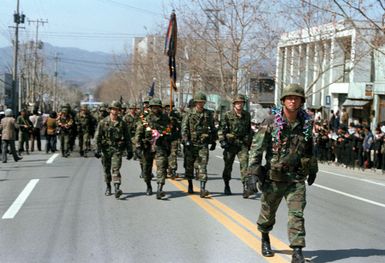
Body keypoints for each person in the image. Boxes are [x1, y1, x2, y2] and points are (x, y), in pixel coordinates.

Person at [247, 83, 318, 263]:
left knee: (297, 214)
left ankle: (297, 250)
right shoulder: (271, 121)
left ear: (301, 101)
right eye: (289, 98)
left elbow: (310, 149)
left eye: (296, 98)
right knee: (267, 213)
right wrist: (252, 173)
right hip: (273, 178)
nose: (293, 101)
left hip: (296, 178)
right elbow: (256, 148)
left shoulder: (306, 124)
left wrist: (313, 169)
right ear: (283, 101)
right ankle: (265, 238)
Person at [134, 98, 172, 199]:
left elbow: (169, 131)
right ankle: (148, 186)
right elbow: (138, 133)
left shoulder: (165, 118)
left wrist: (169, 146)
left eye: (158, 107)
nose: (156, 109)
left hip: (161, 146)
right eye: (154, 107)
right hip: (147, 147)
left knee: (162, 167)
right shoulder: (144, 119)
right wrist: (137, 146)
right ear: (150, 108)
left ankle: (160, 189)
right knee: (147, 169)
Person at [182, 91, 217, 197]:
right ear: (195, 102)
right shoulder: (189, 113)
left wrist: (214, 141)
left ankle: (202, 188)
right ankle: (190, 184)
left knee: (203, 165)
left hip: (203, 144)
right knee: (189, 166)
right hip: (191, 144)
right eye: (199, 102)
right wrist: (185, 140)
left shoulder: (208, 114)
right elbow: (184, 128)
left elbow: (213, 128)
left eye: (202, 102)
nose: (200, 104)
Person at [95, 101, 133, 198]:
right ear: (110, 110)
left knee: (116, 168)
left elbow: (127, 137)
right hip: (105, 150)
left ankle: (117, 188)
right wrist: (97, 149)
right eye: (113, 109)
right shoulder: (103, 122)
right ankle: (108, 186)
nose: (115, 111)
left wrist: (130, 150)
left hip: (117, 149)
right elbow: (97, 137)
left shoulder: (122, 123)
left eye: (117, 109)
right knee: (106, 170)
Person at [218, 94, 252, 197]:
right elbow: (221, 129)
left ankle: (245, 188)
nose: (239, 105)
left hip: (242, 145)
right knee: (228, 166)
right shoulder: (227, 115)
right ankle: (226, 185)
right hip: (230, 144)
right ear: (234, 104)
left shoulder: (247, 115)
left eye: (241, 103)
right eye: (237, 103)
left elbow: (249, 129)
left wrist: (249, 141)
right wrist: (222, 141)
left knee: (245, 165)